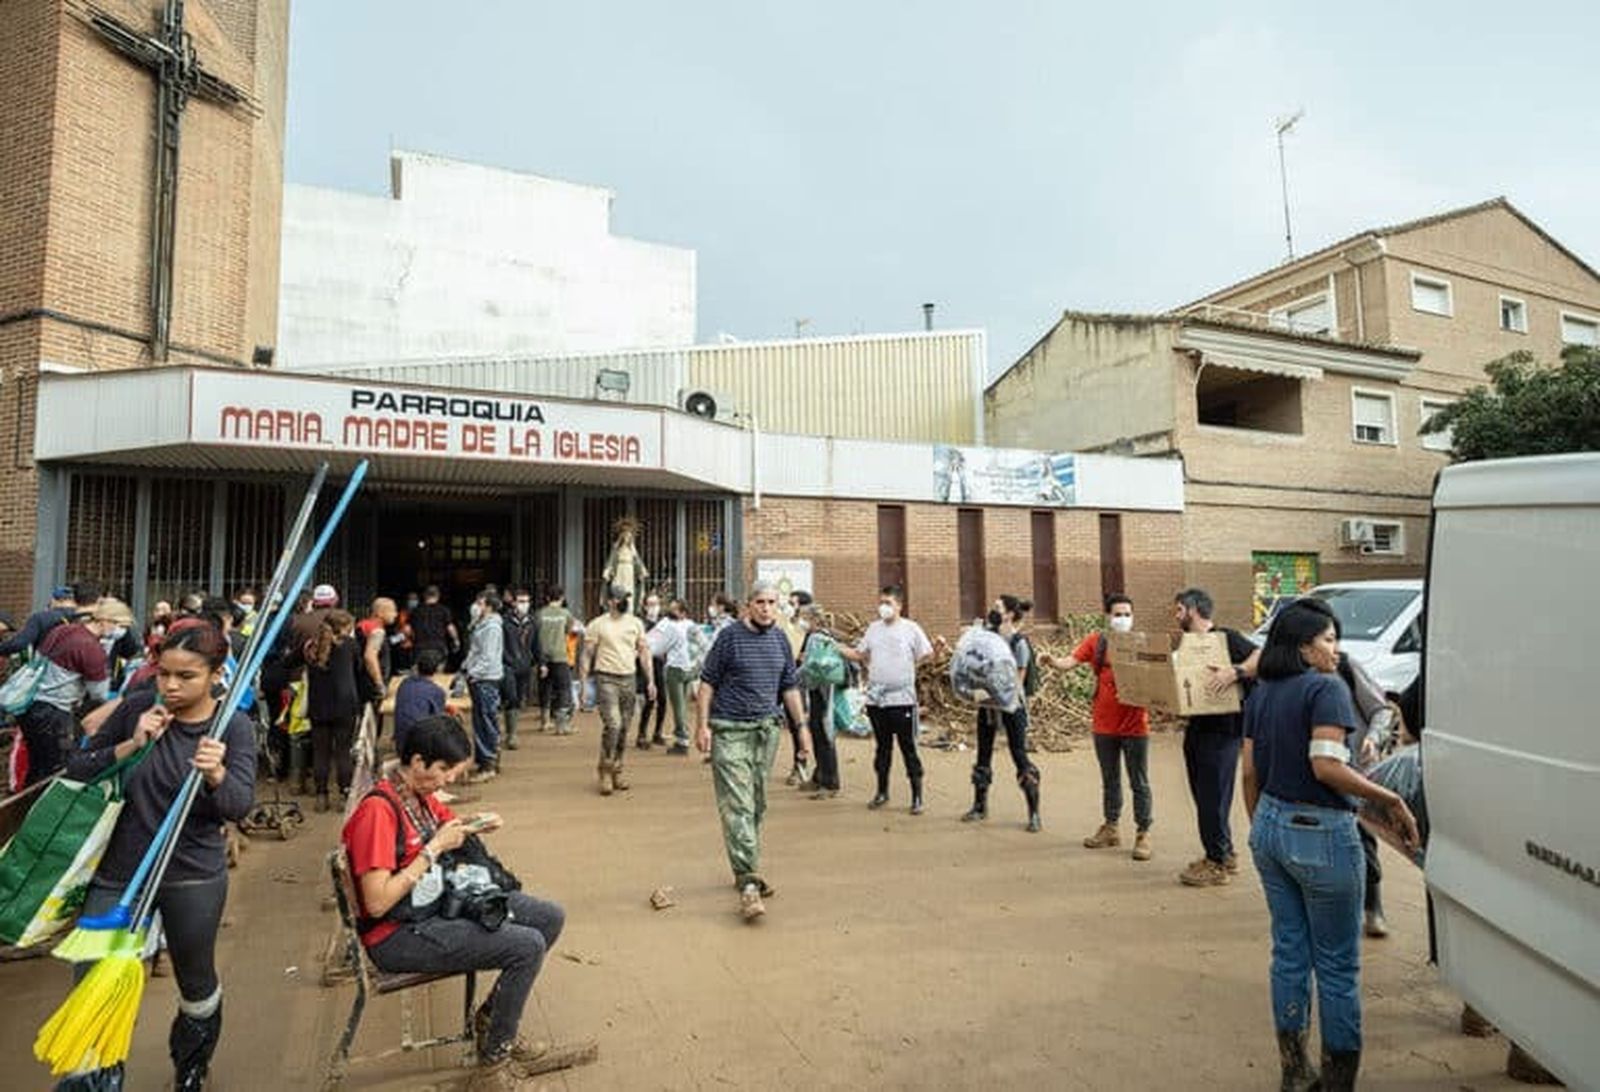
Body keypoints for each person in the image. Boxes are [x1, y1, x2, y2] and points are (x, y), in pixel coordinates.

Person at [64, 622, 256, 1090]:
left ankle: (191, 1067)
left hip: (192, 873)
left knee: (195, 978)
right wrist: (132, 743)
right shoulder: (136, 707)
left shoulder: (231, 725)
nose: (170, 686)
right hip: (119, 871)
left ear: (215, 674)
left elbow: (237, 805)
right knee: (95, 980)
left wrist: (216, 774)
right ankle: (97, 1079)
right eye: (164, 673)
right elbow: (78, 769)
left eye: (186, 676)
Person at [1241, 598, 1419, 1092]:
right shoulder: (1325, 690)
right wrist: (1390, 799)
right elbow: (1326, 767)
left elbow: (1250, 772)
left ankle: (1295, 1072)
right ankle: (1339, 1081)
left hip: (1271, 827)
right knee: (1338, 967)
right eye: (1328, 640)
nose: (1336, 650)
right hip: (1322, 833)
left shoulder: (1262, 693)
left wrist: (1262, 830)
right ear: (1303, 646)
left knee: (1290, 954)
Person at [342, 715, 565, 1091]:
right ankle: (493, 1065)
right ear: (417, 762)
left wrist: (475, 824)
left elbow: (449, 828)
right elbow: (377, 903)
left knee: (548, 918)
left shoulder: (415, 795)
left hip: (429, 906)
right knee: (526, 947)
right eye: (444, 770)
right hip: (396, 934)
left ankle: (491, 1021)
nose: (448, 781)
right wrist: (431, 851)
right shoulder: (379, 811)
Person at [695, 581, 809, 921]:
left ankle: (746, 866)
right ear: (748, 605)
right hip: (729, 731)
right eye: (760, 602)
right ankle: (748, 882)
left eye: (772, 602)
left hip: (766, 732)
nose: (766, 608)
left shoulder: (780, 640)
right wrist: (702, 726)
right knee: (738, 805)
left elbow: (788, 687)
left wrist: (801, 731)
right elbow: (706, 683)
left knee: (757, 803)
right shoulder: (729, 638)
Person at [1048, 593, 1154, 861]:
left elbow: (1159, 679)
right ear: (1108, 617)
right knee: (1110, 779)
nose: (1123, 619)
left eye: (1127, 614)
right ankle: (1111, 827)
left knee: (1138, 781)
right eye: (1118, 614)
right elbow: (1069, 662)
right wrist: (1052, 661)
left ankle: (1143, 833)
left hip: (1135, 725)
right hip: (1104, 725)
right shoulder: (1097, 642)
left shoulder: (1143, 644)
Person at [1173, 587, 1259, 888]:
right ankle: (1223, 851)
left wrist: (1235, 671)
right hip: (1198, 727)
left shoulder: (1227, 637)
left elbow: (1262, 656)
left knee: (1213, 797)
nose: (1177, 617)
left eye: (1179, 610)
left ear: (1192, 610)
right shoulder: (1189, 644)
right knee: (1203, 794)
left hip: (1224, 731)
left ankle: (1217, 863)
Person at [16, 597, 132, 785]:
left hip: (31, 706)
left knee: (37, 766)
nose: (122, 632)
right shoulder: (92, 649)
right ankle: (47, 810)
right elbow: (99, 694)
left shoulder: (63, 630)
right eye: (121, 625)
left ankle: (24, 809)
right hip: (56, 714)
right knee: (59, 769)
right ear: (106, 620)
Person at [841, 585, 933, 815]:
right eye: (881, 602)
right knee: (882, 748)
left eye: (888, 603)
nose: (884, 607)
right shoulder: (873, 629)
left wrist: (938, 650)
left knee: (908, 748)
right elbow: (860, 654)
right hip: (877, 701)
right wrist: (836, 648)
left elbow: (927, 656)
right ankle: (882, 792)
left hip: (902, 700)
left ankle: (917, 795)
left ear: (899, 606)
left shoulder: (911, 629)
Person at [961, 595, 1042, 832]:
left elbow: (1018, 680)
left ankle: (1034, 812)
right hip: (988, 705)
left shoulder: (1018, 643)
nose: (993, 611)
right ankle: (979, 806)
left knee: (1019, 755)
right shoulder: (989, 639)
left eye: (997, 608)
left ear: (1008, 614)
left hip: (1011, 706)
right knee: (983, 754)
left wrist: (996, 692)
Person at [1334, 651, 1395, 939]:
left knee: (1363, 838)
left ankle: (1373, 906)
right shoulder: (1295, 675)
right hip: (1321, 773)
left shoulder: (1346, 666)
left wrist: (1373, 738)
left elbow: (1381, 710)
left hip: (1357, 769)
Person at [583, 586, 655, 796]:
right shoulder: (597, 625)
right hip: (606, 678)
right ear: (610, 601)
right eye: (621, 598)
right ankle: (605, 770)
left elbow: (644, 652)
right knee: (613, 724)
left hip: (629, 678)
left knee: (624, 727)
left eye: (626, 597)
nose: (625, 601)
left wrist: (650, 681)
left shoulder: (635, 623)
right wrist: (584, 684)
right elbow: (587, 655)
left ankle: (617, 768)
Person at [301, 609, 365, 812]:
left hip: (318, 705)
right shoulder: (350, 645)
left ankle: (321, 795)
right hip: (345, 705)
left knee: (321, 752)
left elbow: (288, 662)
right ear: (345, 628)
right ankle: (345, 794)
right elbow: (359, 670)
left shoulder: (311, 646)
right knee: (342, 752)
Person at [796, 603, 843, 798]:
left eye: (804, 617)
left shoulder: (817, 638)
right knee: (818, 734)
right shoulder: (823, 636)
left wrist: (794, 676)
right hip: (822, 691)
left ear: (814, 619)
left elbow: (812, 667)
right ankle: (819, 776)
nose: (801, 621)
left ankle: (829, 782)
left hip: (821, 692)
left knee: (823, 735)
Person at [462, 590, 506, 781]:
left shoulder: (492, 627)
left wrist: (473, 673)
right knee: (482, 719)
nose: (476, 606)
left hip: (485, 678)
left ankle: (488, 763)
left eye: (479, 603)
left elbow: (487, 657)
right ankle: (485, 759)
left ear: (488, 606)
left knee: (486, 719)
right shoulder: (482, 624)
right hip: (480, 677)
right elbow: (475, 651)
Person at [651, 598, 699, 755]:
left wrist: (645, 649)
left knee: (678, 706)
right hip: (689, 668)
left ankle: (682, 740)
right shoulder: (691, 625)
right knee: (682, 705)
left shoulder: (671, 627)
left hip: (675, 668)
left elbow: (658, 648)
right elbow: (701, 644)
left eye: (674, 609)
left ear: (682, 612)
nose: (670, 611)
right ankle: (683, 737)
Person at [0, 581, 98, 657]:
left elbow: (19, 644)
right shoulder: (93, 618)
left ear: (54, 600)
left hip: (49, 671)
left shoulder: (41, 617)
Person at [534, 587, 576, 734]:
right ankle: (561, 725)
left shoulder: (539, 614)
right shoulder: (566, 614)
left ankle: (545, 722)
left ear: (547, 598)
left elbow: (535, 633)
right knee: (563, 689)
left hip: (543, 656)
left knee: (545, 688)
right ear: (562, 598)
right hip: (560, 655)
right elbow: (569, 631)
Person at [392, 648, 448, 758]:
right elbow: (438, 723)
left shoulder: (405, 683)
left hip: (401, 744)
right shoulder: (436, 691)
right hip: (420, 750)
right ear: (439, 668)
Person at [500, 587, 536, 751]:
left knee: (520, 698)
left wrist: (540, 662)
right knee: (511, 697)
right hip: (508, 664)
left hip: (525, 665)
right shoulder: (504, 621)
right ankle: (512, 734)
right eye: (521, 601)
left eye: (527, 601)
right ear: (513, 602)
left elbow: (536, 644)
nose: (524, 605)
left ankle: (512, 729)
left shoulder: (532, 622)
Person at [633, 592, 669, 749]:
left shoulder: (663, 623)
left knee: (663, 699)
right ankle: (641, 734)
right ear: (645, 606)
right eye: (651, 604)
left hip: (660, 664)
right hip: (646, 664)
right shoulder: (641, 624)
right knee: (649, 699)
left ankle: (657, 732)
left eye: (656, 604)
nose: (654, 608)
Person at [358, 597, 399, 716]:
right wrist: (379, 684)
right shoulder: (377, 630)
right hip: (371, 685)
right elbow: (370, 656)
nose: (395, 615)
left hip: (361, 681)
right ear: (380, 612)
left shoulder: (362, 625)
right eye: (392, 610)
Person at [409, 585, 458, 663]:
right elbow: (450, 628)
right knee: (438, 673)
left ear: (424, 595)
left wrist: (413, 640)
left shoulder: (416, 611)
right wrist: (456, 640)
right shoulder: (444, 610)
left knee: (421, 673)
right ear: (438, 595)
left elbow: (409, 630)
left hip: (420, 647)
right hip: (439, 647)